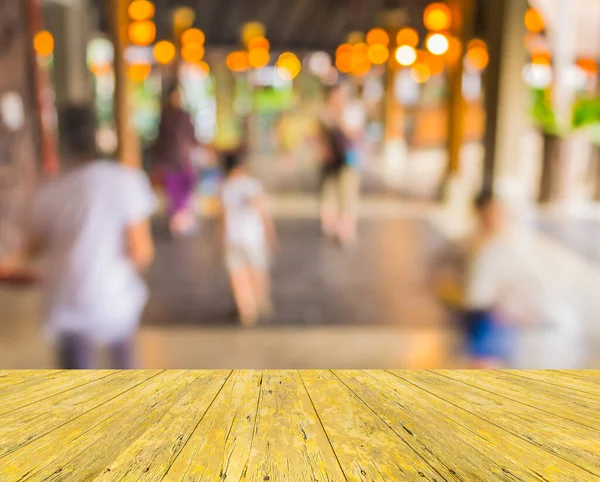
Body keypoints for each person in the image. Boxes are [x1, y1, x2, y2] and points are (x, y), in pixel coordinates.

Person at [0, 105, 157, 369]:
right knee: (128, 384)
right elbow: (140, 250)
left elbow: (33, 246)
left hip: (67, 303)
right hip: (114, 300)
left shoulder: (50, 190)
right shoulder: (126, 181)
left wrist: (10, 263)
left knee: (77, 393)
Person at [219, 149, 277, 327]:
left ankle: (246, 309)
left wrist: (220, 239)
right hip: (254, 238)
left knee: (238, 275)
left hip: (233, 238)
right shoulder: (253, 184)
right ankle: (260, 300)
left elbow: (223, 218)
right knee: (258, 270)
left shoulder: (225, 187)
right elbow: (262, 212)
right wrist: (270, 233)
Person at [151, 83, 199, 237]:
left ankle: (183, 222)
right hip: (169, 160)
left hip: (183, 160)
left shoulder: (185, 115)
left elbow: (192, 136)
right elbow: (160, 139)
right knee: (174, 194)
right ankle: (177, 223)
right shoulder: (165, 115)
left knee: (184, 193)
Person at [318, 83, 361, 248]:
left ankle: (346, 231)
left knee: (348, 195)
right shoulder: (324, 113)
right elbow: (316, 136)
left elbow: (355, 134)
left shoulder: (351, 112)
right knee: (329, 193)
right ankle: (329, 226)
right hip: (330, 162)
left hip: (348, 160)